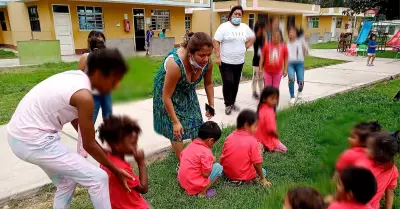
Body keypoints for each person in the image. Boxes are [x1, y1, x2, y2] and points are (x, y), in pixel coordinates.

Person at [7, 48, 131, 209]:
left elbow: (79, 126)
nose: (117, 85)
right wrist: (115, 169)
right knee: (98, 178)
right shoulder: (84, 96)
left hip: (19, 137)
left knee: (66, 182)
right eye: (114, 79)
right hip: (33, 141)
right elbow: (89, 144)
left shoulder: (77, 78)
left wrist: (93, 140)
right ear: (100, 73)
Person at [153, 32, 215, 165]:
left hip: (186, 89)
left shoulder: (208, 63)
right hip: (167, 92)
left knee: (196, 122)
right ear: (190, 53)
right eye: (201, 55)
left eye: (208, 54)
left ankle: (198, 155)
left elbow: (208, 84)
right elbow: (166, 96)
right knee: (176, 130)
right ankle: (183, 163)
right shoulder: (175, 64)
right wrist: (175, 121)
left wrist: (211, 105)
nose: (206, 59)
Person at [213, 5, 255, 115]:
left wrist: (246, 46)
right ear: (231, 15)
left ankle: (232, 102)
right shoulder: (224, 27)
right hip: (225, 62)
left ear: (242, 16)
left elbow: (252, 37)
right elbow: (216, 41)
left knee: (235, 83)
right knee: (228, 82)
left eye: (239, 15)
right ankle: (227, 104)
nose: (237, 16)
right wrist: (217, 56)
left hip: (239, 62)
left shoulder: (244, 27)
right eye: (235, 14)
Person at [99, 116, 149, 209]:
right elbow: (143, 188)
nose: (136, 147)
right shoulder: (120, 168)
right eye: (133, 143)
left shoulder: (105, 158)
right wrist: (141, 163)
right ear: (116, 144)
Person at [220, 109, 272, 186]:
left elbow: (223, 156)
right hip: (242, 177)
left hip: (227, 173)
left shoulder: (229, 137)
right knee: (263, 171)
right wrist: (263, 178)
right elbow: (257, 163)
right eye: (255, 126)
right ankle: (242, 180)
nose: (256, 129)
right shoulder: (252, 140)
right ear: (246, 125)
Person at [76, 37, 107, 158]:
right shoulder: (86, 58)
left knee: (90, 122)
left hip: (98, 95)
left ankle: (87, 146)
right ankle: (82, 150)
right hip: (86, 95)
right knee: (84, 124)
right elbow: (78, 76)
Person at [178, 121, 223, 198]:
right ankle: (202, 192)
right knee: (219, 167)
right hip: (194, 184)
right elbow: (206, 174)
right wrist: (211, 161)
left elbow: (182, 158)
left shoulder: (190, 145)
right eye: (214, 142)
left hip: (183, 182)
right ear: (211, 140)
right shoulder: (206, 152)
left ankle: (189, 188)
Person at [356, 132, 399, 209]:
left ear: (379, 153)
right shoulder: (393, 170)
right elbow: (390, 192)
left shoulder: (363, 166)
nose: (364, 149)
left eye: (368, 147)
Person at [254, 86, 287, 152]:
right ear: (264, 99)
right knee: (284, 150)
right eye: (272, 99)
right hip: (266, 137)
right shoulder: (269, 112)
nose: (275, 101)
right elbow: (270, 130)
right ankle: (268, 147)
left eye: (276, 98)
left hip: (256, 136)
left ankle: (261, 145)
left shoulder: (261, 107)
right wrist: (275, 134)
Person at [287, 26, 308, 105]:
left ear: (296, 33)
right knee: (291, 79)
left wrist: (304, 44)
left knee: (301, 81)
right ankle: (292, 96)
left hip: (299, 64)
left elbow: (306, 52)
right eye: (289, 33)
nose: (291, 34)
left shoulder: (301, 41)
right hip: (290, 64)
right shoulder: (287, 44)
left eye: (292, 32)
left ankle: (300, 92)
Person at [252, 21, 266, 100]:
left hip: (263, 62)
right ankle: (254, 92)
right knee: (255, 77)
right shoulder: (255, 38)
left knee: (261, 78)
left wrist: (265, 36)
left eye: (262, 28)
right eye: (260, 28)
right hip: (256, 61)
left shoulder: (264, 38)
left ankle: (261, 92)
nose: (261, 30)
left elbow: (267, 46)